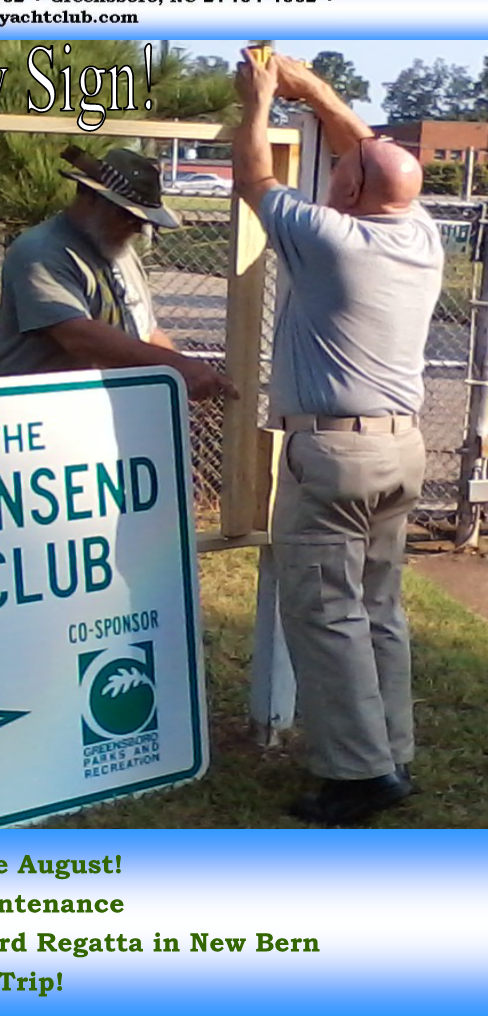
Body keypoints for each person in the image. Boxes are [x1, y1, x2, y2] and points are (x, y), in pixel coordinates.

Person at [232, 50, 444, 825]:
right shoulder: (420, 237)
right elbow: (377, 161)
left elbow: (253, 177)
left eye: (342, 174)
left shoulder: (330, 240)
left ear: (349, 192)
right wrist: (313, 90)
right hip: (401, 450)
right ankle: (392, 749)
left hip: (333, 454)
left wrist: (260, 100)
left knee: (325, 613)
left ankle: (358, 777)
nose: (332, 174)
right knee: (378, 606)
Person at [0, 144, 237, 403]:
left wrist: (180, 377)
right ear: (90, 198)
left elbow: (145, 331)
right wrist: (177, 366)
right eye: (127, 215)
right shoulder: (42, 251)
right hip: (43, 413)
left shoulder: (120, 251)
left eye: (143, 221)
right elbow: (79, 336)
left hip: (106, 411)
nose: (137, 228)